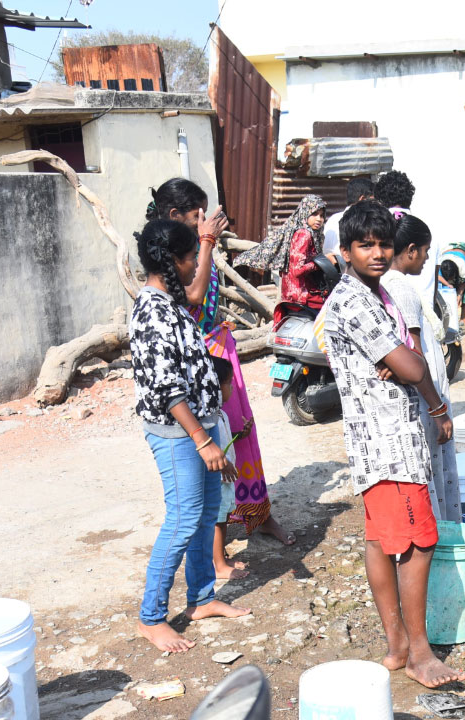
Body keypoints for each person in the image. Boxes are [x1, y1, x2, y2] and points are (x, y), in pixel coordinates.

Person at [320, 200, 465, 689]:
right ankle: (420, 654)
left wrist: (403, 362)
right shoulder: (355, 301)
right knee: (418, 544)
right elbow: (413, 365)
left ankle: (398, 646)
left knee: (381, 542)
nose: (378, 253)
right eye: (366, 245)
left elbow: (405, 359)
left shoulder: (374, 292)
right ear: (345, 251)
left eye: (384, 244)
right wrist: (416, 378)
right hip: (389, 443)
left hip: (381, 439)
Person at [148, 179, 295, 547]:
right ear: (175, 215)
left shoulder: (194, 245)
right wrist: (207, 241)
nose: (206, 219)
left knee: (242, 433)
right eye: (198, 213)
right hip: (201, 363)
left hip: (219, 351)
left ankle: (257, 514)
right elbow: (194, 297)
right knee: (220, 440)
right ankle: (217, 542)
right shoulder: (171, 256)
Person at [129, 219, 251, 653]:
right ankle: (151, 617)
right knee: (182, 521)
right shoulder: (152, 313)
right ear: (174, 261)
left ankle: (201, 598)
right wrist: (203, 439)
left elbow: (196, 294)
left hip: (199, 426)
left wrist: (209, 432)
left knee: (203, 516)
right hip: (178, 434)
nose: (193, 267)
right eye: (189, 259)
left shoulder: (170, 301)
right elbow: (167, 388)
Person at [381, 213, 461, 522]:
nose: (428, 259)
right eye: (425, 252)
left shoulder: (383, 283)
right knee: (431, 469)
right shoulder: (401, 288)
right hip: (423, 395)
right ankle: (438, 532)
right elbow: (414, 353)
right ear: (411, 250)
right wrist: (438, 408)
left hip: (412, 393)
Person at [210, 356, 255, 581]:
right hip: (218, 478)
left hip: (226, 479)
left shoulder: (221, 414)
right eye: (228, 383)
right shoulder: (209, 419)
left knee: (223, 517)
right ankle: (218, 565)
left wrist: (240, 434)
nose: (231, 388)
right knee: (217, 521)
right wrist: (224, 466)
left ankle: (220, 558)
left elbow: (224, 441)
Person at [375, 170, 440, 307]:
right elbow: (435, 277)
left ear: (379, 200)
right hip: (425, 314)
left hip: (391, 310)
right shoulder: (427, 230)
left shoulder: (376, 230)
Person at [274, 195, 330, 324]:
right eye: (314, 214)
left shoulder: (299, 231)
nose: (319, 219)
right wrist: (321, 263)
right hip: (301, 295)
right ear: (305, 213)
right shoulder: (305, 234)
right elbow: (297, 270)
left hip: (291, 294)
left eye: (322, 215)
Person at [323, 177, 374, 262]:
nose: (374, 206)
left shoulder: (333, 218)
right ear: (362, 199)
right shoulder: (360, 220)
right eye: (372, 201)